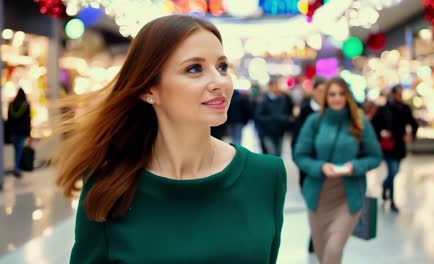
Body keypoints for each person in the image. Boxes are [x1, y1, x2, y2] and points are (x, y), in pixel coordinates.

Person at [55, 15, 286, 264]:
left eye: (221, 67)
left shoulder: (266, 176)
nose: (219, 81)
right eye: (194, 69)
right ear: (148, 89)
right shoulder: (109, 183)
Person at [293, 77, 382, 264]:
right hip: (318, 197)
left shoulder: (359, 121)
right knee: (321, 252)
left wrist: (354, 166)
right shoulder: (314, 121)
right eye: (332, 94)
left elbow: (375, 156)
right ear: (325, 97)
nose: (337, 98)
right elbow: (300, 155)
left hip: (348, 197)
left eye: (342, 94)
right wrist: (320, 167)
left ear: (348, 96)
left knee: (333, 250)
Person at [290, 76, 326, 254]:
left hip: (330, 167)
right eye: (321, 91)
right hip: (309, 168)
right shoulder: (305, 111)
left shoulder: (334, 110)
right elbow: (296, 139)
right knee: (314, 202)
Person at [371, 84, 418, 213]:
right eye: (398, 93)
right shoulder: (383, 109)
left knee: (395, 171)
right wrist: (382, 133)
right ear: (392, 94)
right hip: (388, 146)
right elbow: (374, 125)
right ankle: (392, 200)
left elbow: (414, 124)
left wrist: (411, 134)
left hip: (399, 146)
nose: (400, 96)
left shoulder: (405, 108)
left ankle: (385, 185)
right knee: (392, 171)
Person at [255, 78, 292, 156]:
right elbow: (258, 116)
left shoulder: (283, 99)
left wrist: (285, 121)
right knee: (271, 153)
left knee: (279, 154)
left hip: (279, 132)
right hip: (267, 132)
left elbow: (287, 113)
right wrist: (272, 120)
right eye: (274, 86)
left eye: (277, 86)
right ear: (270, 87)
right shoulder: (263, 100)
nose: (276, 88)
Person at [7, 88, 32, 178]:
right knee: (20, 149)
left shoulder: (11, 105)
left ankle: (16, 166)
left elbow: (9, 119)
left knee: (16, 149)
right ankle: (17, 168)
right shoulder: (26, 105)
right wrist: (29, 133)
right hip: (22, 131)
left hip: (14, 131)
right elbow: (29, 119)